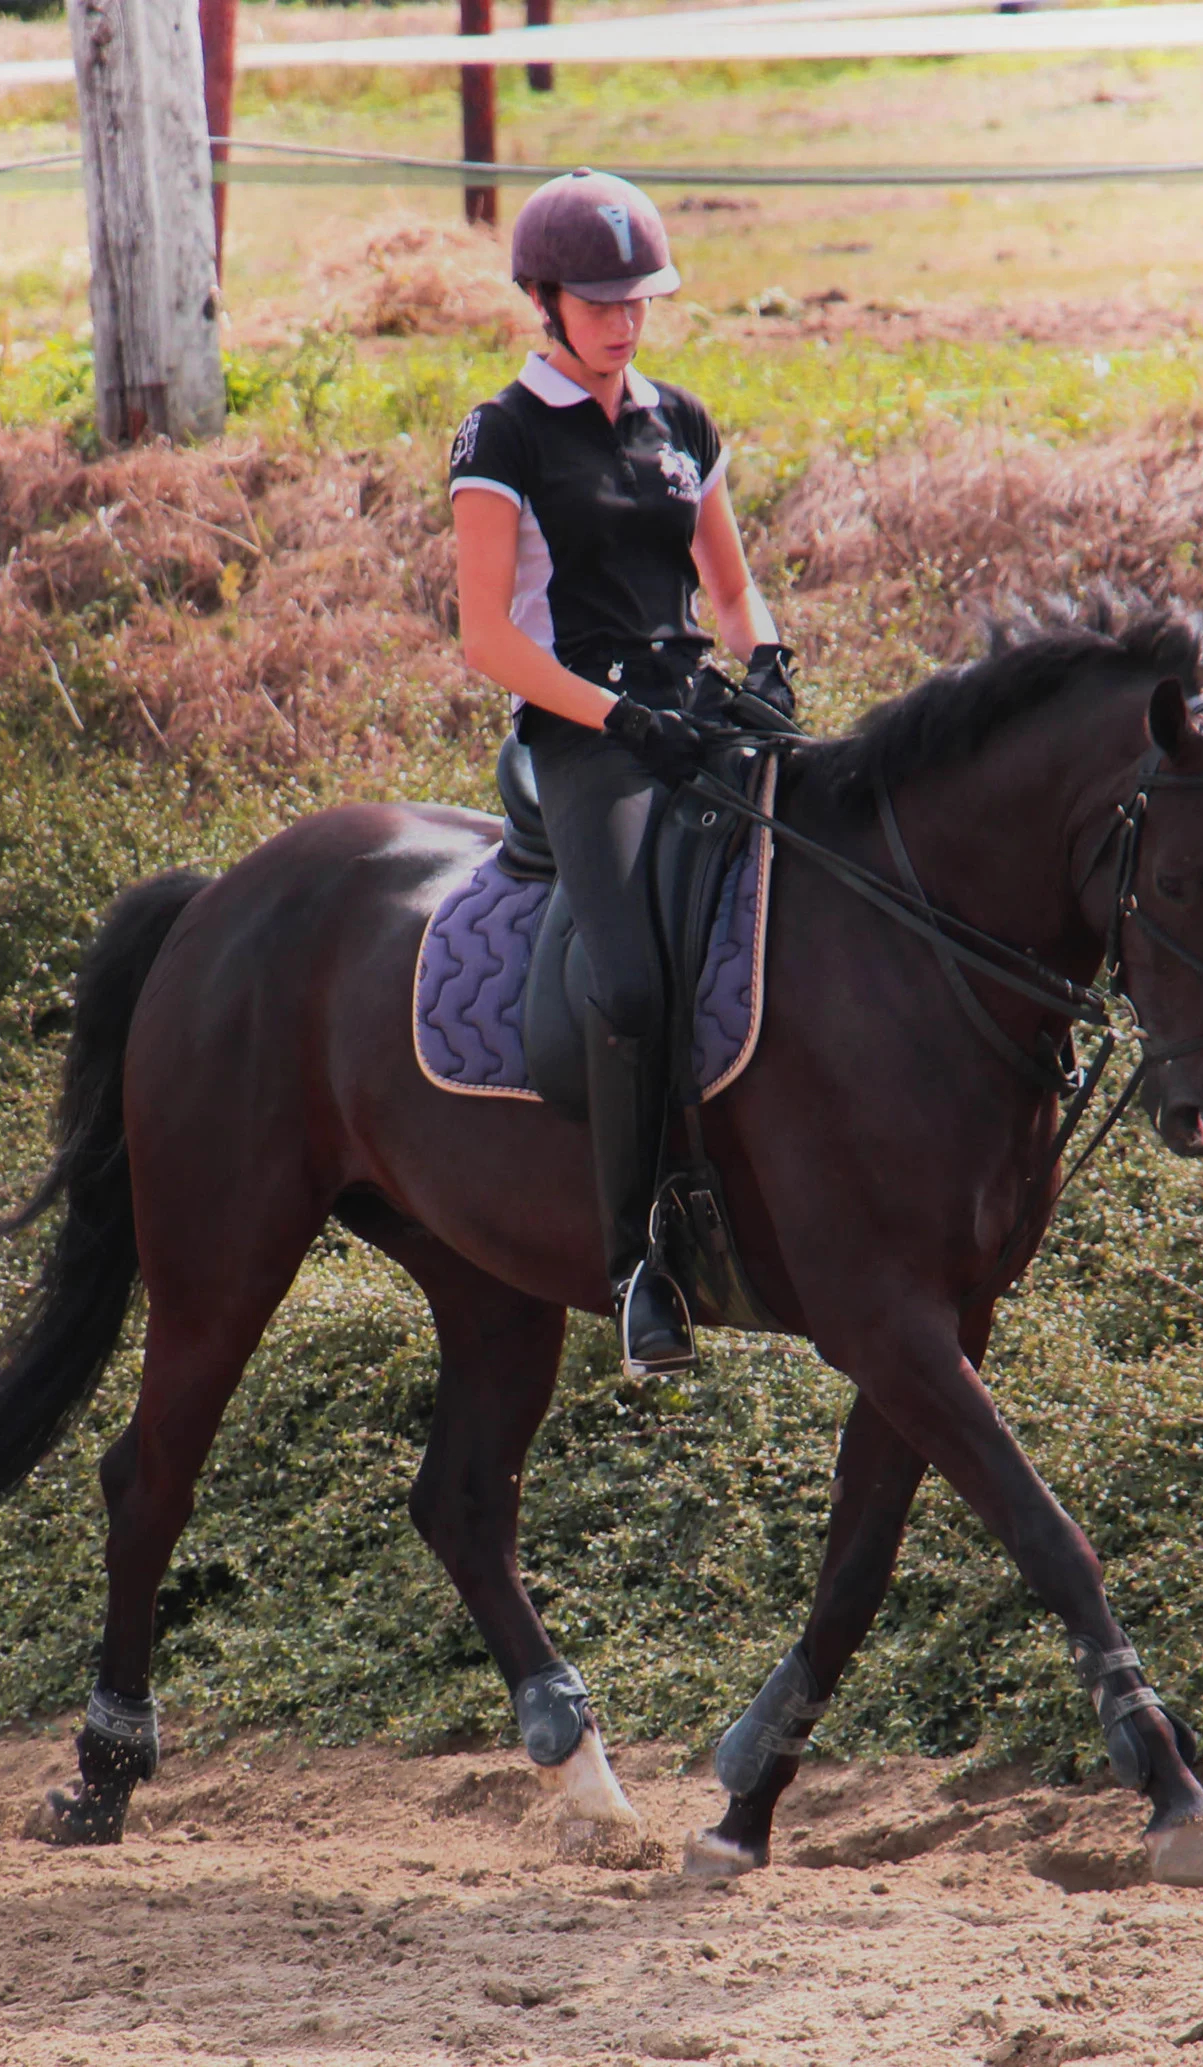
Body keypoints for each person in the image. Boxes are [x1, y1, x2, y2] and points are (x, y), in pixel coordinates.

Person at [449, 167, 795, 1382]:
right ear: (542, 299)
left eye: (637, 298)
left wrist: (768, 667)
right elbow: (487, 637)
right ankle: (639, 1266)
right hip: (582, 734)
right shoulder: (502, 434)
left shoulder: (681, 424)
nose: (622, 318)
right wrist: (615, 719)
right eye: (597, 300)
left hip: (694, 712)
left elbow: (732, 591)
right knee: (635, 987)